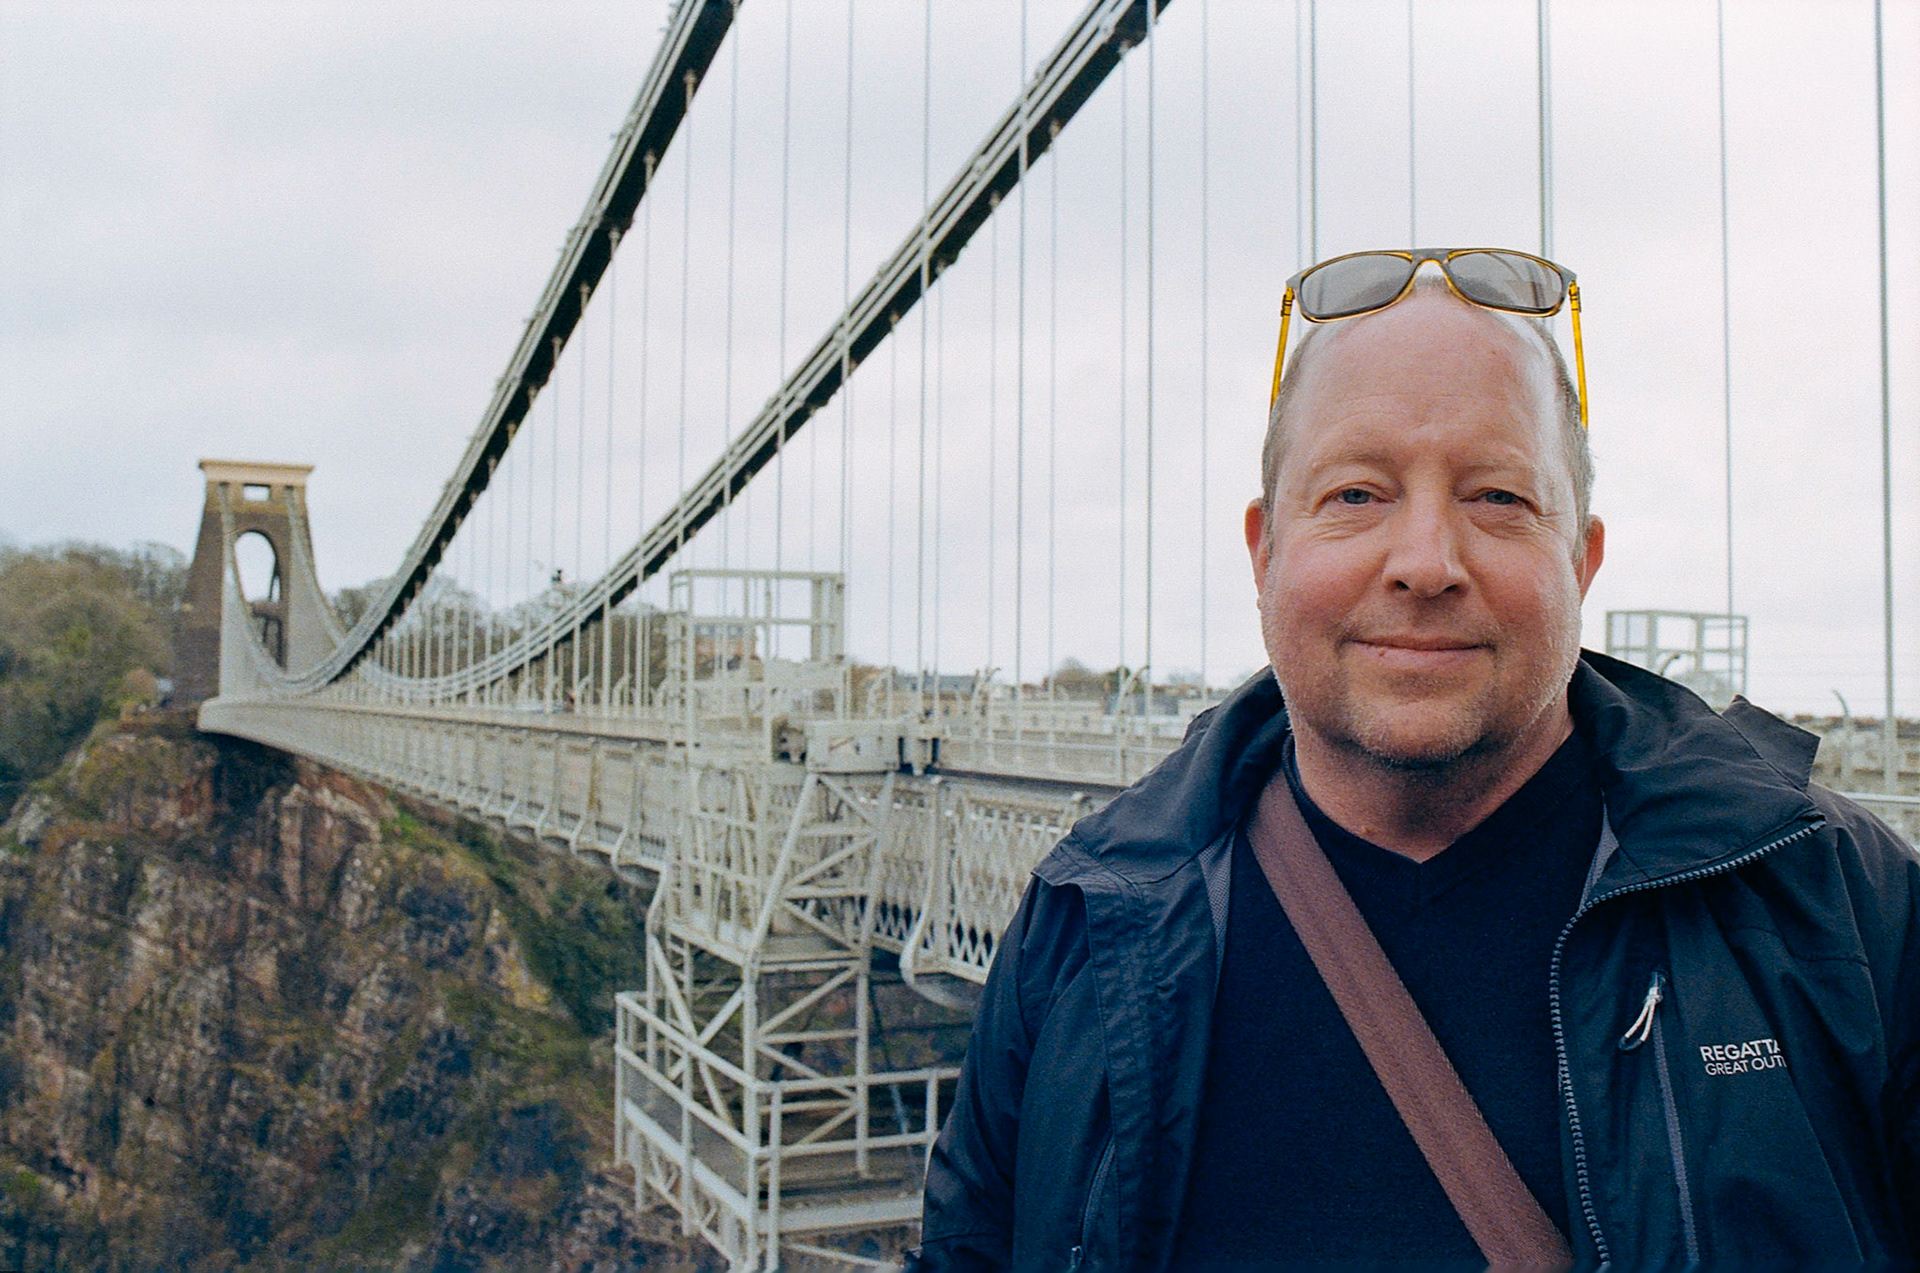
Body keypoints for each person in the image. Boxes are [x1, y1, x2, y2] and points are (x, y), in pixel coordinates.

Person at [908, 251, 1920, 1270]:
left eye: (1497, 498)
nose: (1427, 562)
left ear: (1582, 561)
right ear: (1264, 553)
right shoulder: (1080, 921)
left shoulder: (1843, 910)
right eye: (1356, 494)